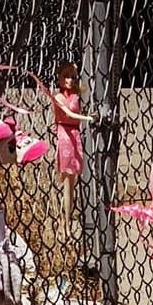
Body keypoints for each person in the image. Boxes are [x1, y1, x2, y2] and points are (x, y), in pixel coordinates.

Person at [51, 62, 95, 218]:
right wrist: (87, 118)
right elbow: (68, 113)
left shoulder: (75, 97)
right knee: (66, 182)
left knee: (72, 183)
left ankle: (67, 220)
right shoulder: (58, 97)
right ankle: (65, 221)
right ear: (59, 78)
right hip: (64, 135)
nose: (70, 80)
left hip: (75, 135)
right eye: (66, 76)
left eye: (73, 77)